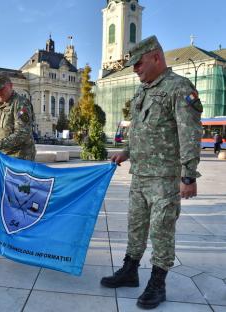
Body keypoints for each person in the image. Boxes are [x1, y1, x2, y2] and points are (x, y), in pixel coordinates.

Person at [100, 36, 203, 310]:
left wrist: (188, 175)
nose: (134, 69)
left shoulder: (178, 88)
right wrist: (127, 152)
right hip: (140, 175)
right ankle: (130, 271)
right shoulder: (143, 91)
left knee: (161, 231)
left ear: (156, 57)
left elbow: (190, 133)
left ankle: (158, 283)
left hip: (165, 179)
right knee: (135, 227)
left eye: (138, 63)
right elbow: (140, 131)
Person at [0, 71, 36, 160]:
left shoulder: (21, 104)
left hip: (20, 157)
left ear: (10, 86)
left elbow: (22, 133)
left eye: (1, 89)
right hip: (4, 156)